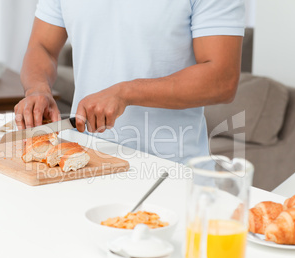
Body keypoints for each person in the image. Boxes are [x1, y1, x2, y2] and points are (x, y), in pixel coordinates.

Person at [14, 0, 245, 163]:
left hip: (169, 172)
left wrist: (125, 92)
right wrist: (38, 89)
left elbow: (222, 79)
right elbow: (42, 47)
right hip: (84, 160)